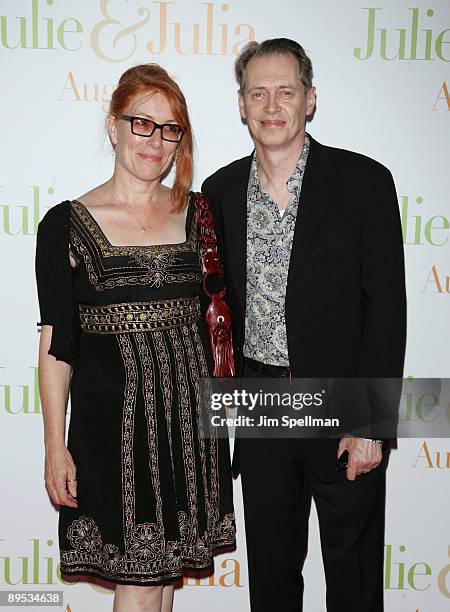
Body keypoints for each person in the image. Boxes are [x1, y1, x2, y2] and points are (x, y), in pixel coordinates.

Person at [202, 38, 406, 611]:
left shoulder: (366, 183)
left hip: (343, 407)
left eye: (286, 91)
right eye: (257, 92)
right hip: (260, 406)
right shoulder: (217, 194)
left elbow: (386, 311)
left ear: (310, 100)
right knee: (270, 579)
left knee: (355, 580)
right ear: (241, 105)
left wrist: (370, 421)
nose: (272, 105)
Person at [36, 63, 236, 612]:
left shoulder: (199, 214)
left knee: (160, 586)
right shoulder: (66, 224)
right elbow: (57, 346)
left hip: (190, 428)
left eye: (170, 128)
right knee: (143, 589)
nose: (155, 140)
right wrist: (56, 446)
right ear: (113, 125)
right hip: (114, 434)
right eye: (141, 123)